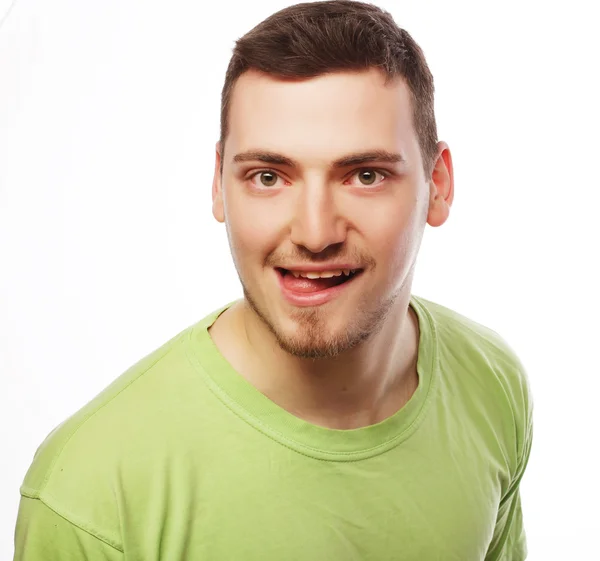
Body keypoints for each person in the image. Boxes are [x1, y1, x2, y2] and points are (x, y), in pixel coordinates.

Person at [13, 1, 533, 559]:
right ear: (218, 185)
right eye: (268, 176)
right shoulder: (92, 495)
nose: (314, 233)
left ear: (438, 184)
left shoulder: (490, 382)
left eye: (364, 175)